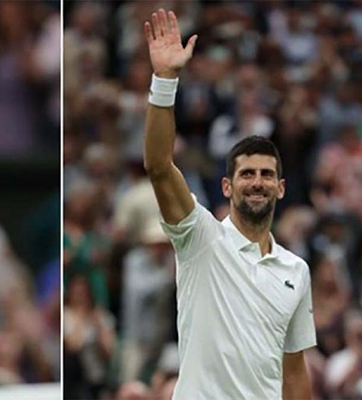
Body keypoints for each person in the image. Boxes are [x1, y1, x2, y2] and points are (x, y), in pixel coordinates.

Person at [142, 9, 315, 400]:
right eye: (247, 174)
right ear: (226, 186)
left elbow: (294, 371)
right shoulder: (200, 239)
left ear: (281, 188)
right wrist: (165, 80)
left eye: (267, 175)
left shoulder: (296, 270)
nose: (257, 182)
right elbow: (157, 166)